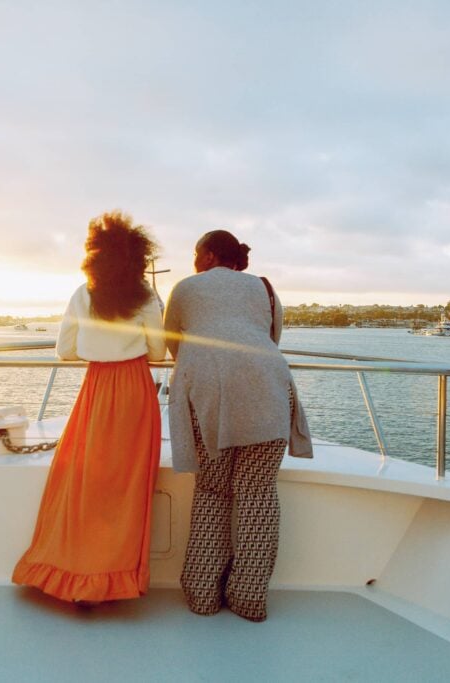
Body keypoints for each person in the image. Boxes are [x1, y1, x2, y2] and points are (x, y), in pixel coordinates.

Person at [11, 211, 165, 603]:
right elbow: (159, 350)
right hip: (134, 388)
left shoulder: (83, 293)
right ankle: (114, 578)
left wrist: (97, 349)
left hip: (96, 388)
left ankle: (75, 572)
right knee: (127, 485)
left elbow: (65, 350)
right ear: (136, 257)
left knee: (86, 481)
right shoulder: (146, 296)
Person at [163, 229, 312, 622]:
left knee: (212, 490)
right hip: (268, 390)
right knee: (258, 493)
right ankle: (249, 597)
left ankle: (202, 595)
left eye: (197, 253)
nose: (195, 260)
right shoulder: (264, 288)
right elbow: (272, 337)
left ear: (209, 255)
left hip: (208, 392)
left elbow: (171, 342)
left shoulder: (186, 287)